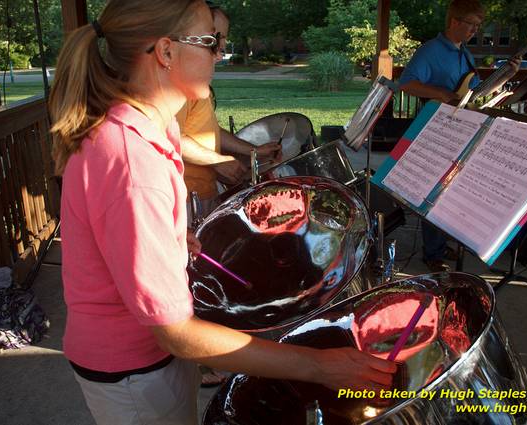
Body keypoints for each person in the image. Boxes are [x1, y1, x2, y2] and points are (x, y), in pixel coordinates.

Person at [48, 1, 396, 424]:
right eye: (210, 42)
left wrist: (169, 240)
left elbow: (116, 238)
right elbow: (176, 332)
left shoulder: (142, 127)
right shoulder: (131, 159)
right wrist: (320, 365)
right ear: (166, 52)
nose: (219, 54)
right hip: (131, 371)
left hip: (147, 355)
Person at [399, 0, 519, 272]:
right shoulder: (429, 51)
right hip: (435, 131)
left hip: (459, 131)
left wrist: (505, 75)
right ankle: (432, 252)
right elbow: (406, 83)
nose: (476, 30)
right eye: (471, 24)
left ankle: (440, 244)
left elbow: (475, 92)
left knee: (449, 190)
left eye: (478, 25)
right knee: (433, 190)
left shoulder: (464, 53)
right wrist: (441, 93)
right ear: (454, 21)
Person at [177, 5, 281, 219]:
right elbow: (170, 137)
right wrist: (217, 161)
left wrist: (253, 151)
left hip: (204, 192)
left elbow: (206, 130)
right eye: (215, 38)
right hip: (185, 198)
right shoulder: (178, 85)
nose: (221, 47)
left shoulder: (197, 84)